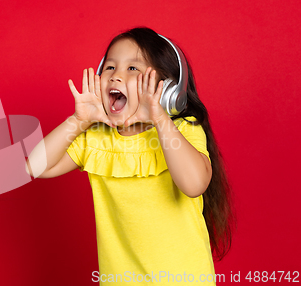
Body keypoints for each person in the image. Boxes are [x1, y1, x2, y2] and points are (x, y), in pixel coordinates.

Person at [26, 27, 235, 285]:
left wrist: (159, 118)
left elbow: (194, 184)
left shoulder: (181, 130)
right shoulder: (97, 140)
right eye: (110, 68)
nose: (115, 77)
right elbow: (35, 167)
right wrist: (78, 121)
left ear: (167, 89)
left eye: (133, 69)